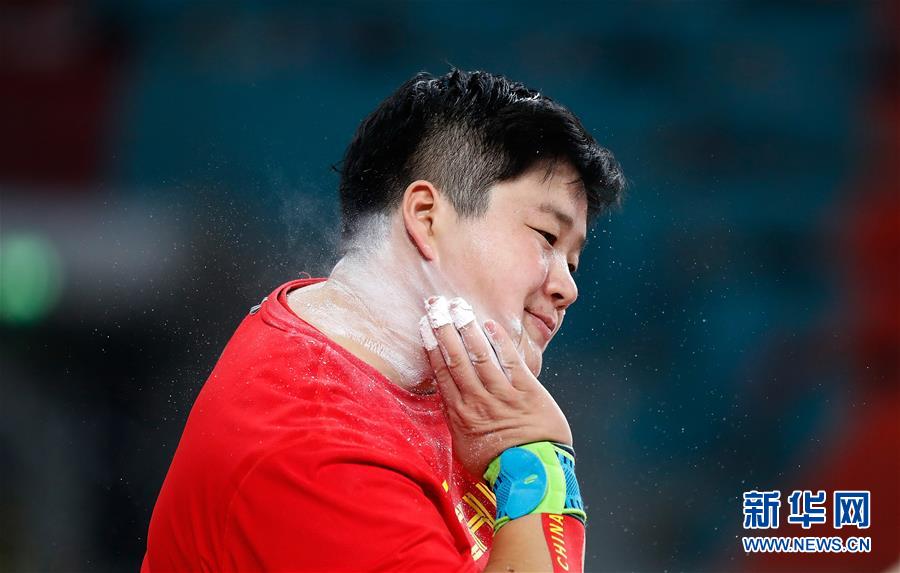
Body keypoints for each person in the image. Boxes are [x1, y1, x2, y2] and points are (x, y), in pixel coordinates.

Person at [142, 68, 624, 572]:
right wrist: (541, 465)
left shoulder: (413, 365)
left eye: (573, 262)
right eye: (546, 237)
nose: (568, 288)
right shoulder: (317, 452)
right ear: (427, 217)